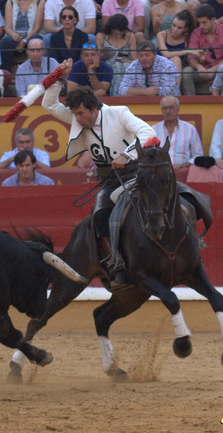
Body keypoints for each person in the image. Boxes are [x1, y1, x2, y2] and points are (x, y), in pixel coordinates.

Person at [42, 58, 155, 286]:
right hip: (109, 181)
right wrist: (59, 78)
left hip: (135, 174)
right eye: (75, 114)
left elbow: (148, 133)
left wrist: (127, 155)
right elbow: (48, 105)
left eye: (81, 114)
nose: (77, 119)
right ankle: (117, 264)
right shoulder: (77, 119)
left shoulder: (119, 113)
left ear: (94, 108)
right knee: (99, 217)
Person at [181, 5, 223, 95]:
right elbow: (191, 57)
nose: (201, 26)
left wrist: (213, 69)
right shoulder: (196, 33)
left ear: (213, 19)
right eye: (199, 23)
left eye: (204, 22)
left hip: (221, 69)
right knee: (186, 72)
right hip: (202, 70)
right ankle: (190, 104)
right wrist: (199, 67)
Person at [151, 95, 203, 169]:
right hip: (159, 173)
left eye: (171, 107)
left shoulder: (190, 129)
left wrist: (184, 165)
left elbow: (198, 155)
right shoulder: (153, 130)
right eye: (165, 108)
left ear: (178, 109)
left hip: (183, 172)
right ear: (161, 110)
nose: (168, 111)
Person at [95, 13, 137, 97]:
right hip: (107, 64)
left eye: (121, 34)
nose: (118, 36)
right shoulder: (101, 36)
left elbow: (134, 59)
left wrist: (127, 61)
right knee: (114, 68)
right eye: (115, 33)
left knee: (125, 67)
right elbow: (98, 57)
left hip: (126, 65)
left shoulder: (130, 36)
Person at [0, 0, 45, 71]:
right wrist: (14, 35)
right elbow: (8, 27)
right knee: (6, 41)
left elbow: (37, 27)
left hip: (31, 35)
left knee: (36, 39)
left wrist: (24, 40)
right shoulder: (10, 2)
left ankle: (36, 71)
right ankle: (6, 73)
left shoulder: (40, 2)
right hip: (15, 37)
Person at [156, 11, 197, 89]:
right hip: (159, 67)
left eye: (179, 28)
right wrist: (188, 51)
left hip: (176, 70)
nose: (175, 29)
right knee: (175, 59)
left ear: (186, 28)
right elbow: (166, 54)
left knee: (176, 59)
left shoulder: (186, 40)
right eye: (174, 25)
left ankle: (175, 90)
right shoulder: (162, 35)